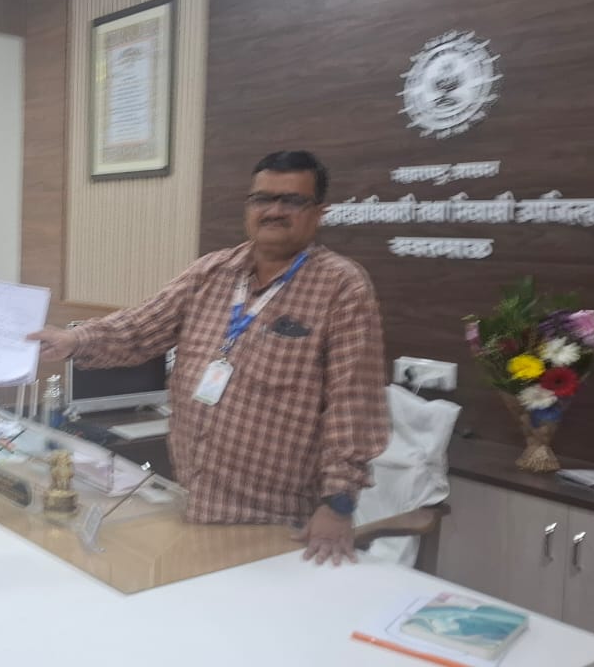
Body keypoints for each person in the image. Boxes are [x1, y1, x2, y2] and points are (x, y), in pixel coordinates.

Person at [30, 150, 389, 566]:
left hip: (277, 519)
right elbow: (140, 327)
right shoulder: (212, 272)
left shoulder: (342, 287)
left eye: (291, 200)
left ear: (319, 212)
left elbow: (353, 404)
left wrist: (338, 504)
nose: (274, 211)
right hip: (193, 499)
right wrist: (73, 341)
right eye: (263, 199)